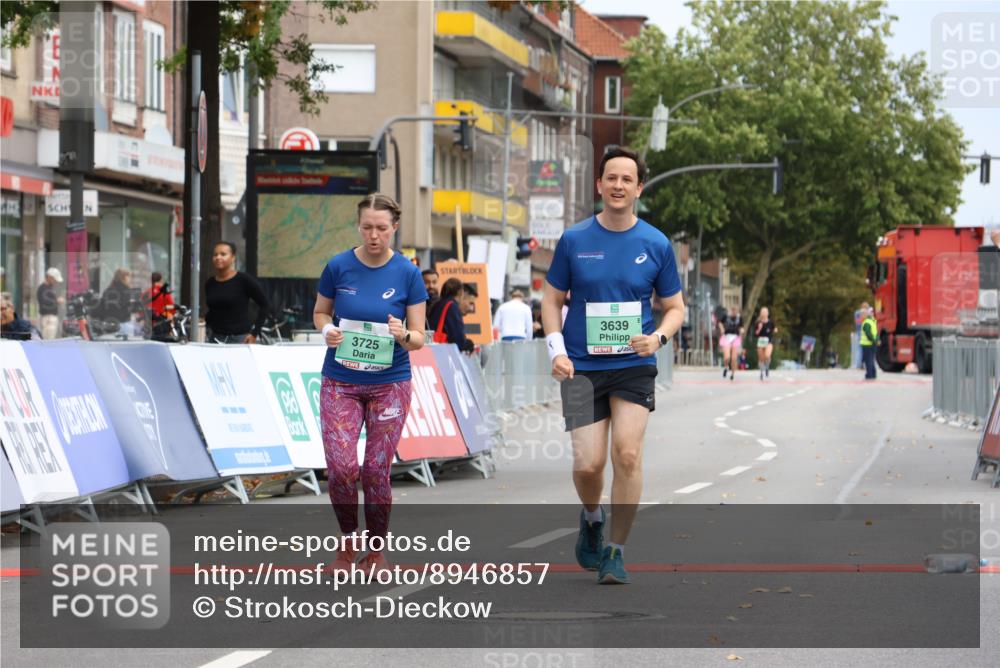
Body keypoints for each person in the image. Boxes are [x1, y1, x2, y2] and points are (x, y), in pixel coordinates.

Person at [541, 146, 684, 585]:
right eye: (611, 178)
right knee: (588, 464)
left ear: (639, 188)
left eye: (627, 179)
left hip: (633, 364)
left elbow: (675, 308)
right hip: (582, 365)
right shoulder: (575, 240)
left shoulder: (656, 244)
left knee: (627, 452)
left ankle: (616, 552)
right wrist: (556, 350)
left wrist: (657, 337)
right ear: (599, 184)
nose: (618, 186)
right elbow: (551, 300)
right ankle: (591, 516)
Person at [313, 193, 427, 572]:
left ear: (394, 227)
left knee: (375, 469)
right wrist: (328, 329)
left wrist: (401, 334)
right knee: (342, 467)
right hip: (340, 381)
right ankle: (348, 543)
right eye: (366, 227)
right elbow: (320, 311)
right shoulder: (338, 266)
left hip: (389, 383)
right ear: (358, 226)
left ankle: (376, 550)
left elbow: (419, 337)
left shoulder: (408, 273)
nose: (374, 235)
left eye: (381, 228)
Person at [204, 242, 269, 344]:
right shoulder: (210, 283)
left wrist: (254, 334)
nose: (218, 257)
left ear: (233, 258)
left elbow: (265, 305)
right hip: (215, 339)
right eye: (215, 254)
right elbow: (213, 311)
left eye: (223, 254)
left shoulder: (243, 280)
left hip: (239, 339)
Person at [428, 278, 474, 353]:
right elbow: (458, 339)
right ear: (460, 292)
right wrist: (469, 344)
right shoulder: (452, 306)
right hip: (445, 353)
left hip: (431, 350)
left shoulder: (436, 304)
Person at [96, 268, 140, 335]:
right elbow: (133, 309)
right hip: (124, 323)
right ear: (124, 277)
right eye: (129, 276)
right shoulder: (127, 290)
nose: (130, 279)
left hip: (108, 323)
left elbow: (103, 306)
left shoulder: (108, 290)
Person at [37, 267, 64, 339]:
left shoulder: (49, 288)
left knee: (50, 339)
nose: (56, 282)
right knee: (48, 341)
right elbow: (44, 302)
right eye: (54, 279)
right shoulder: (43, 288)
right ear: (49, 277)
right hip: (48, 318)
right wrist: (57, 301)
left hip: (50, 318)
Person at [718, 306, 743, 381]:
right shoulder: (726, 316)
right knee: (727, 357)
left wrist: (742, 330)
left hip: (735, 337)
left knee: (734, 358)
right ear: (731, 311)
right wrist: (722, 328)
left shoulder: (739, 318)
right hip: (727, 337)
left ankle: (732, 374)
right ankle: (726, 367)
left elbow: (742, 327)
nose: (734, 312)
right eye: (733, 311)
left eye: (736, 311)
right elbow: (720, 323)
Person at [754, 306, 777, 380]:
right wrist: (759, 328)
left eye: (765, 312)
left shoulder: (771, 322)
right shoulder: (758, 323)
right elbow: (755, 334)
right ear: (760, 313)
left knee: (767, 355)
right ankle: (761, 372)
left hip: (768, 341)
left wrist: (775, 330)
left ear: (767, 314)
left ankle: (767, 366)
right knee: (761, 358)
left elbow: (775, 329)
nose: (764, 314)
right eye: (762, 312)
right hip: (760, 342)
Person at [861, 304, 878, 380]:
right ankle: (873, 373)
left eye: (862, 315)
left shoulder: (866, 323)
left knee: (868, 360)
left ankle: (869, 374)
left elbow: (868, 333)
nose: (861, 316)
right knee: (871, 359)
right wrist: (876, 340)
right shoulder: (872, 321)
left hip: (867, 344)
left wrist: (873, 340)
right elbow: (875, 332)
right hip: (872, 344)